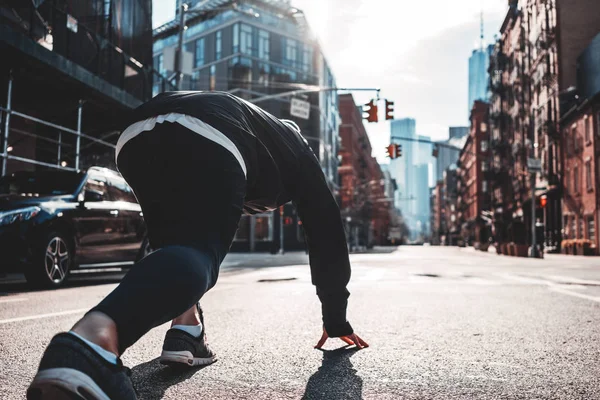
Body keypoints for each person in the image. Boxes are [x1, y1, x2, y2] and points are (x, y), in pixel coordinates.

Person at [26, 91, 368, 400]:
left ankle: (185, 332)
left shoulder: (260, 129)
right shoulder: (297, 150)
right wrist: (335, 317)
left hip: (136, 136)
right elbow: (325, 224)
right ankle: (92, 342)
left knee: (174, 251)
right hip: (210, 131)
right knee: (201, 253)